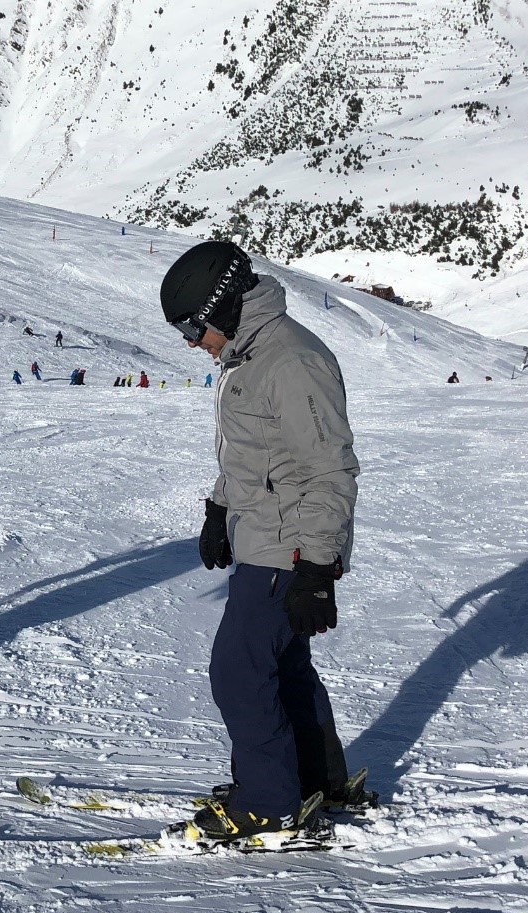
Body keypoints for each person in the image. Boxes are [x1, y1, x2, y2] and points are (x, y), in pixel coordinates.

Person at [160, 241, 361, 842]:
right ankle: (314, 781)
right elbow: (255, 454)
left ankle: (270, 801)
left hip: (288, 549)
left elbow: (328, 471)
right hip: (262, 537)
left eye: (194, 328)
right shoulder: (249, 355)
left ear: (222, 309)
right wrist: (220, 509)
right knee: (284, 667)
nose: (193, 343)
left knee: (240, 672)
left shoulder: (291, 362)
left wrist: (316, 567)